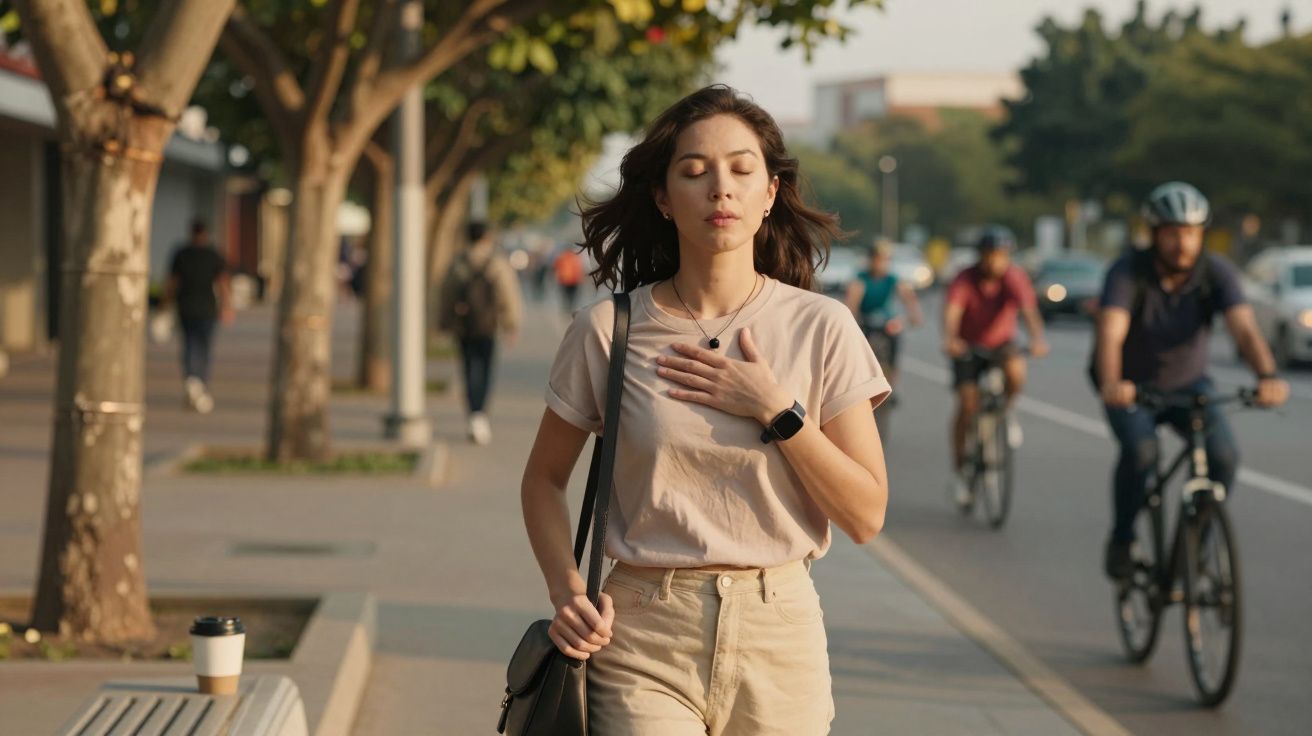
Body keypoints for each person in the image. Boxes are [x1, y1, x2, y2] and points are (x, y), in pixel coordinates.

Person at [520, 85, 891, 735]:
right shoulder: (610, 329)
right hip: (643, 632)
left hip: (781, 633)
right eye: (695, 172)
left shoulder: (822, 327)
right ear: (663, 198)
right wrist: (566, 593)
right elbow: (543, 480)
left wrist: (775, 408)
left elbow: (865, 514)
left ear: (770, 192)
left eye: (742, 170)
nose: (721, 188)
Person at [1093, 182, 1289, 580]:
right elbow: (1110, 333)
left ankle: (1195, 541)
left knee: (1224, 457)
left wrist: (1267, 376)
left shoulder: (1214, 272)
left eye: (1192, 232)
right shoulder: (1129, 271)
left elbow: (1245, 330)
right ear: (1154, 234)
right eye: (1173, 232)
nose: (1183, 243)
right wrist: (1113, 383)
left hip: (1190, 385)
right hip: (1133, 386)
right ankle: (1123, 538)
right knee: (1142, 453)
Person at [942, 225, 1049, 507]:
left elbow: (1028, 311)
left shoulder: (1014, 277)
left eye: (1001, 256)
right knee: (967, 405)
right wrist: (950, 339)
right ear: (980, 255)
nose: (994, 262)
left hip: (1001, 343)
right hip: (968, 345)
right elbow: (952, 310)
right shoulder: (965, 278)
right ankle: (959, 471)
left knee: (1016, 369)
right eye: (989, 255)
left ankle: (1007, 409)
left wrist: (1037, 339)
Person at [438, 221, 522, 445]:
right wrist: (511, 325)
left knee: (467, 369)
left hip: (464, 326)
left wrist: (445, 323)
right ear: (487, 237)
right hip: (489, 326)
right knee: (485, 370)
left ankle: (472, 414)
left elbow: (446, 294)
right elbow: (508, 295)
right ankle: (480, 415)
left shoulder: (458, 262)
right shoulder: (496, 263)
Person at [163, 219, 232, 414]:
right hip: (207, 309)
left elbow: (172, 282)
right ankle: (199, 382)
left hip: (186, 307)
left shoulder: (182, 254)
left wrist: (164, 305)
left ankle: (192, 379)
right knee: (204, 348)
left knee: (189, 345)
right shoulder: (213, 254)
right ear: (206, 234)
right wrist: (227, 306)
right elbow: (223, 282)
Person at [844, 240, 924, 397]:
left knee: (894, 343)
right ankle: (858, 382)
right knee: (859, 349)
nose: (880, 263)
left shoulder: (892, 279)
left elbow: (908, 297)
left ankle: (891, 385)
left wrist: (913, 316)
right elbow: (852, 300)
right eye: (877, 259)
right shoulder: (861, 278)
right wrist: (850, 320)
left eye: (884, 259)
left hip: (887, 322)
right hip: (865, 320)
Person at [553, 246, 585, 314]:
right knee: (572, 296)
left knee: (566, 295)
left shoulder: (562, 257)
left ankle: (567, 307)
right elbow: (580, 269)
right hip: (574, 280)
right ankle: (570, 306)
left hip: (565, 280)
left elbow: (556, 267)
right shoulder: (576, 257)